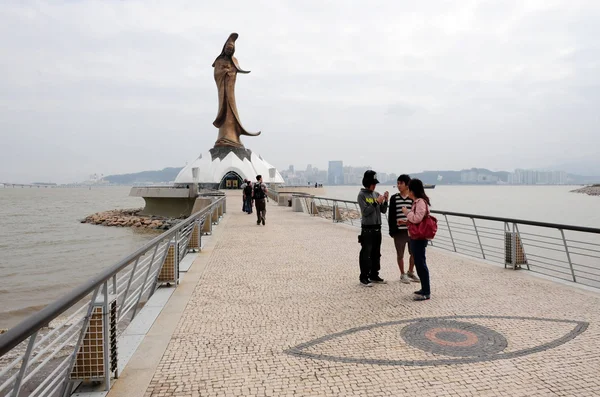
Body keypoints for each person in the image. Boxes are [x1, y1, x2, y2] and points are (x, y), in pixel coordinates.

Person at [401, 178, 432, 301]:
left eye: (409, 188)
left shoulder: (420, 202)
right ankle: (424, 288)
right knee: (419, 263)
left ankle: (426, 291)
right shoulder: (417, 202)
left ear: (412, 190)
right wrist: (406, 220)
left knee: (421, 263)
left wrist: (406, 213)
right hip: (415, 236)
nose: (407, 191)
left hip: (419, 237)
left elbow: (417, 218)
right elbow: (416, 219)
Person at [357, 170, 389, 287]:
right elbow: (365, 212)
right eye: (373, 183)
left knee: (376, 253)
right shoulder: (361, 195)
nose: (375, 185)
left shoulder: (376, 194)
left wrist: (385, 201)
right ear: (367, 183)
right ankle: (363, 277)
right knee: (366, 253)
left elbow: (383, 210)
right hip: (367, 229)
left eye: (375, 183)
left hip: (377, 228)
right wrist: (376, 202)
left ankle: (374, 274)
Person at [388, 175, 419, 284]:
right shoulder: (394, 198)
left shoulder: (412, 198)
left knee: (414, 252)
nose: (398, 185)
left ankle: (410, 271)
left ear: (407, 185)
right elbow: (391, 215)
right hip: (399, 231)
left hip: (411, 230)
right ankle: (402, 274)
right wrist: (392, 230)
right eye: (398, 183)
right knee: (400, 254)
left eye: (401, 183)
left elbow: (416, 214)